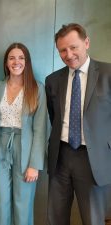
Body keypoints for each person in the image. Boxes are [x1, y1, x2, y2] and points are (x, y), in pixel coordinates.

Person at [45, 23, 111, 225]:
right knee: (56, 218)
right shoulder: (52, 80)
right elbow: (53, 116)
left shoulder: (108, 73)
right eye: (63, 50)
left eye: (73, 47)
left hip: (93, 160)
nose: (69, 54)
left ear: (87, 42)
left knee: (93, 220)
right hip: (60, 158)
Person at [0, 43, 49, 225]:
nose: (16, 62)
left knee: (23, 204)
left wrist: (35, 164)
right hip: (0, 148)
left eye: (21, 57)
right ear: (6, 62)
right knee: (1, 203)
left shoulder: (37, 88)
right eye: (12, 58)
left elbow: (40, 129)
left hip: (25, 149)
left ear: (27, 62)